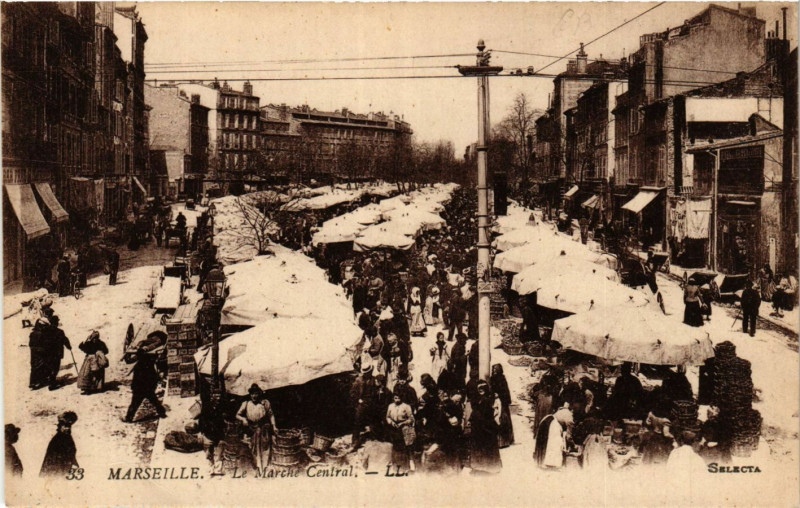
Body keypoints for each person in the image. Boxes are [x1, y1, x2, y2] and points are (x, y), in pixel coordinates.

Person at [236, 384, 277, 469]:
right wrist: (243, 419)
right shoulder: (246, 403)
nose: (254, 396)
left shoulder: (265, 403)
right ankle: (257, 466)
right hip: (252, 429)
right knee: (253, 449)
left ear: (259, 394)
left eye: (256, 394)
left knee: (264, 448)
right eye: (252, 394)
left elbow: (271, 415)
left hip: (263, 429)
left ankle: (264, 467)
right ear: (250, 394)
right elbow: (237, 415)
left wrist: (274, 426)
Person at [124, 348, 167, 422]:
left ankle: (129, 418)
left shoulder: (138, 366)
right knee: (155, 401)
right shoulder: (150, 362)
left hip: (139, 389)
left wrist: (133, 387)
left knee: (134, 404)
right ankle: (162, 413)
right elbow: (154, 376)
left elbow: (136, 379)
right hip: (148, 388)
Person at [468, 380, 502, 474]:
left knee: (488, 446)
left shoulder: (489, 400)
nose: (481, 390)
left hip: (487, 427)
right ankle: (479, 466)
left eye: (483, 388)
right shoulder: (475, 399)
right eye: (479, 389)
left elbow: (492, 413)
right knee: (478, 446)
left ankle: (491, 466)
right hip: (478, 427)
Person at [40, 412, 79, 477]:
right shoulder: (59, 438)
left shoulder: (66, 438)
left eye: (68, 426)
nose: (67, 428)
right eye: (63, 425)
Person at [386, 393, 415, 474]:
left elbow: (411, 419)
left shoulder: (406, 406)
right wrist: (391, 423)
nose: (397, 400)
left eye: (399, 398)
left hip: (405, 428)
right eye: (395, 398)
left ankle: (411, 464)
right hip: (394, 428)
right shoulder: (390, 406)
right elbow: (387, 417)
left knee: (408, 446)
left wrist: (403, 423)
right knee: (394, 446)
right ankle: (393, 464)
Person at [44, 315, 72, 391]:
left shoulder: (46, 331)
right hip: (57, 353)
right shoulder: (60, 332)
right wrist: (69, 346)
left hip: (47, 353)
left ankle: (51, 380)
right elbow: (65, 340)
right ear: (56, 322)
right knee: (55, 368)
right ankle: (52, 384)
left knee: (50, 367)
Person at [350, 364, 375, 451]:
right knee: (357, 421)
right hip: (362, 403)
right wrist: (358, 400)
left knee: (373, 421)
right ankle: (354, 442)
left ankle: (373, 440)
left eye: (369, 372)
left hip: (371, 402)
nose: (368, 374)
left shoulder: (373, 380)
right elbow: (352, 393)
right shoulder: (358, 380)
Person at [490, 364, 515, 448]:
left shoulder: (496, 379)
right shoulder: (501, 378)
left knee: (500, 420)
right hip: (501, 402)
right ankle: (505, 440)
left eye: (495, 370)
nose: (494, 371)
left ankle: (502, 441)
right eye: (493, 370)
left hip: (500, 403)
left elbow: (503, 391)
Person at [29, 318, 50, 390]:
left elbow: (30, 345)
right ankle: (36, 382)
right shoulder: (40, 334)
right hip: (40, 353)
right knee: (39, 367)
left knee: (35, 367)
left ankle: (34, 382)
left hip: (34, 353)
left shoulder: (32, 333)